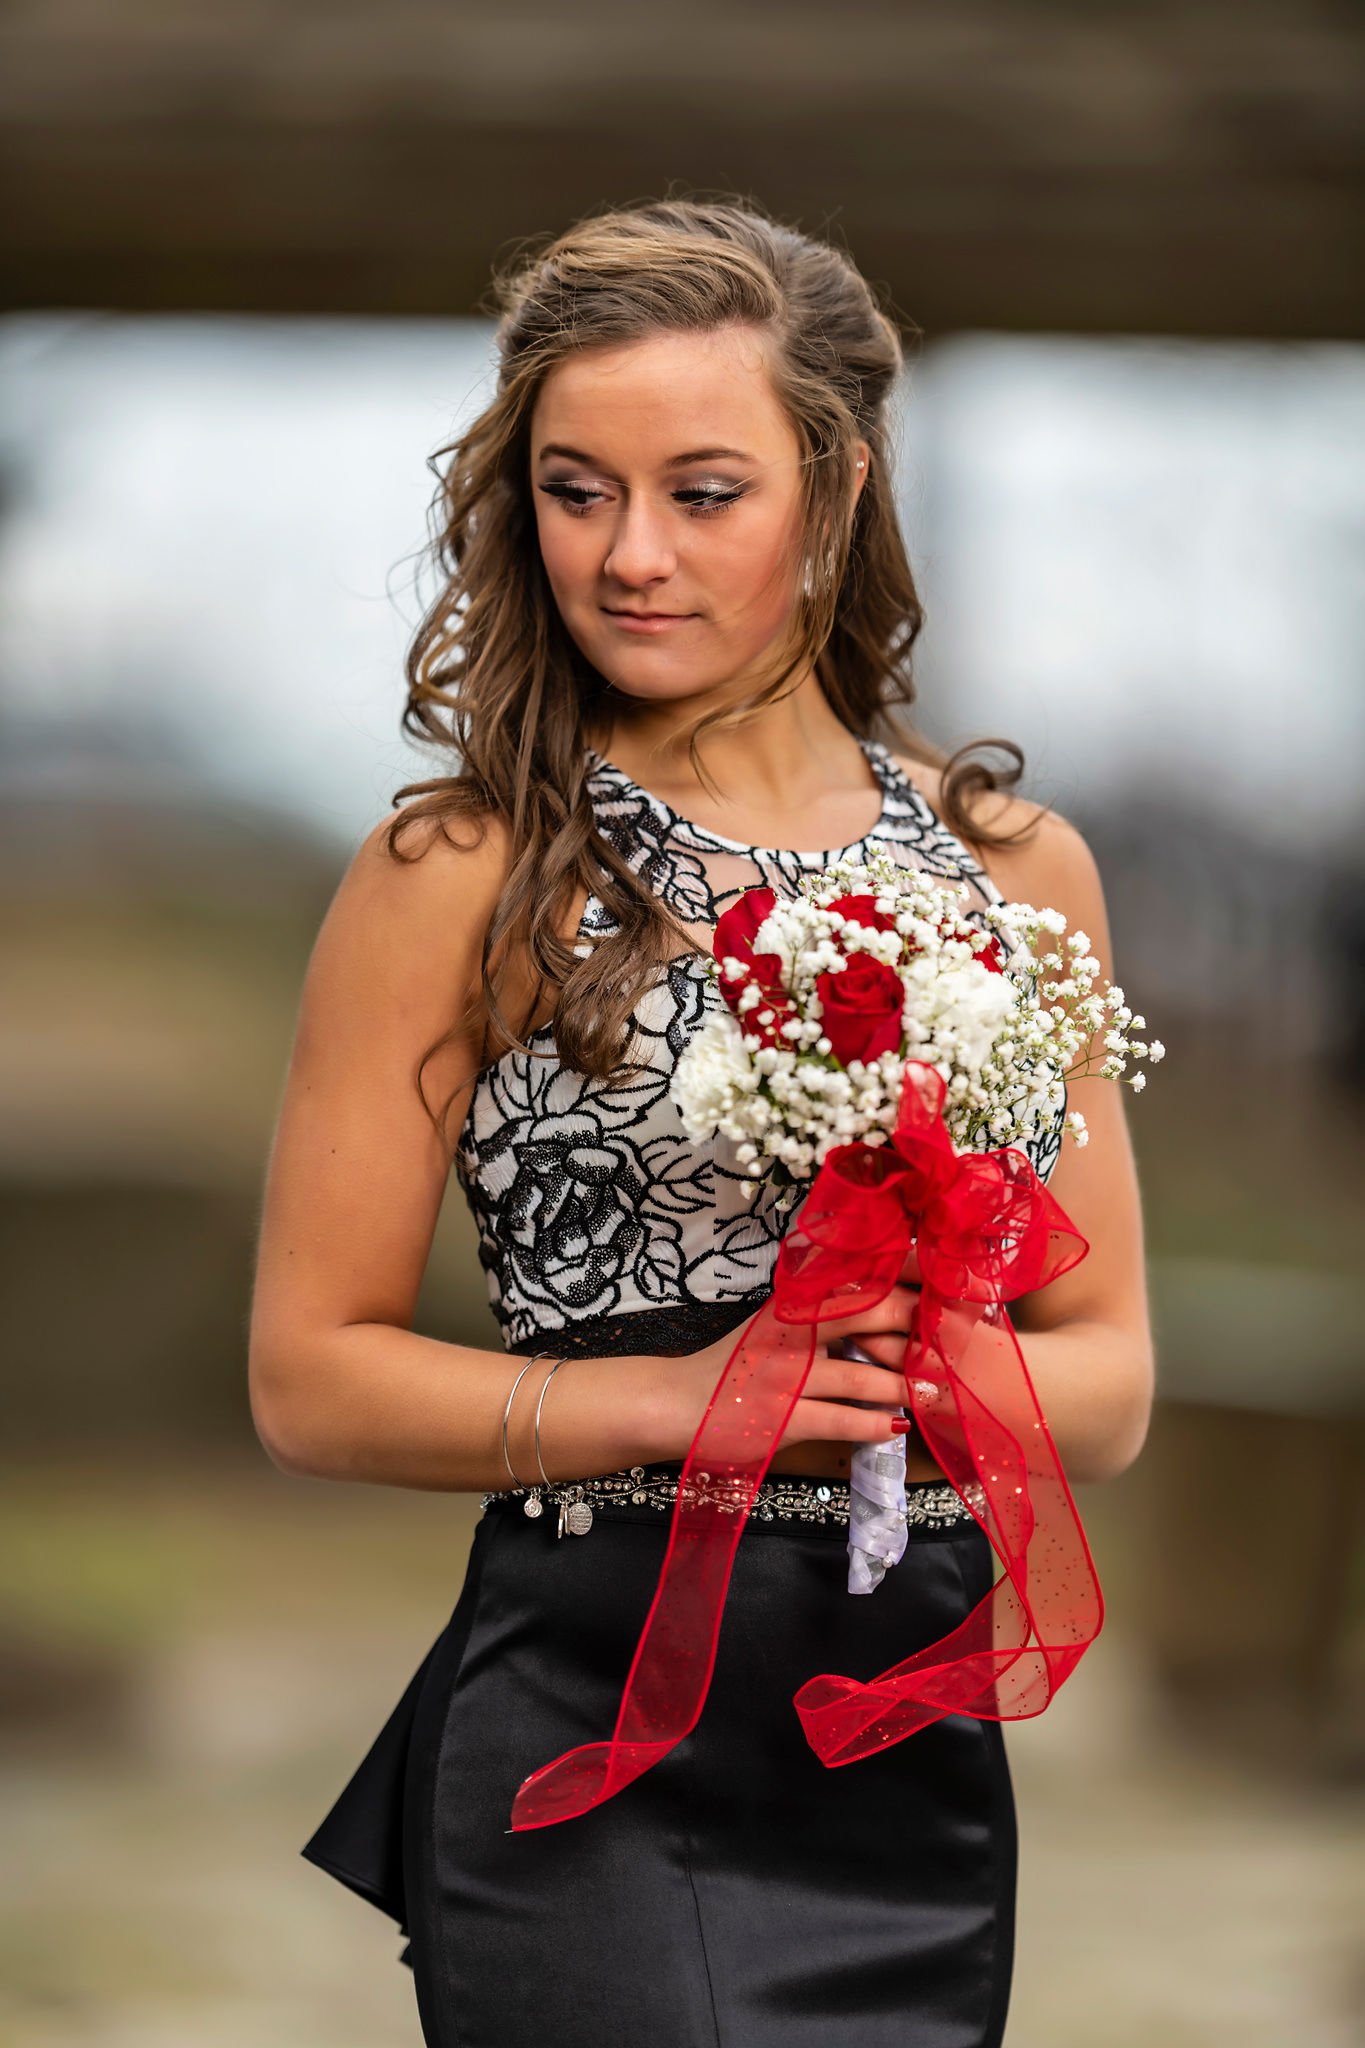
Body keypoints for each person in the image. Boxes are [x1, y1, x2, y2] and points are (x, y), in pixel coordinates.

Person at [249, 198, 1153, 2048]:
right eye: (576, 491)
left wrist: (912, 1375)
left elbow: (1113, 1384)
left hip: (894, 1728)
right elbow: (307, 1377)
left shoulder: (1015, 875)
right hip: (587, 1716)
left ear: (833, 489)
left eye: (703, 492)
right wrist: (678, 1396)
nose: (629, 555)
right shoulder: (460, 871)